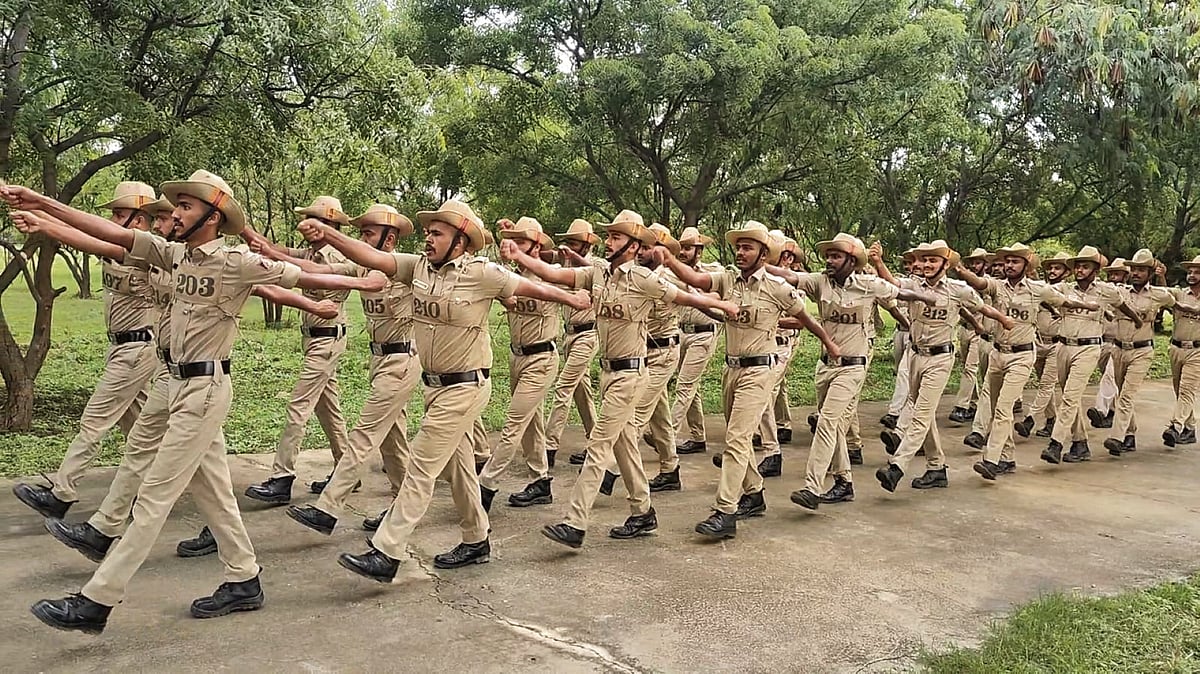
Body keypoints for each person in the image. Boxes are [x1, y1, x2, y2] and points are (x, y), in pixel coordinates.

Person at [9, 170, 383, 633]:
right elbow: (110, 235)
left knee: (154, 495)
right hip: (171, 381)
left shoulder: (235, 261)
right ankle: (244, 578)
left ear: (213, 214)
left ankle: (96, 601)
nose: (175, 214)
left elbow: (299, 273)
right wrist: (42, 207)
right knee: (211, 490)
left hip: (204, 391)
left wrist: (361, 285)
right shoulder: (173, 255)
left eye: (185, 206)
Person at [15, 201, 336, 564]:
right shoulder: (165, 255)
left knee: (150, 473)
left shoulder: (209, 258)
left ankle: (97, 553)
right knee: (195, 471)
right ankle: (237, 567)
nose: (171, 219)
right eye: (168, 214)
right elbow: (101, 241)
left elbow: (267, 285)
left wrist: (317, 304)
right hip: (172, 369)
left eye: (174, 213)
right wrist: (44, 218)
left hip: (191, 372)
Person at [301, 199, 589, 579]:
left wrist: (572, 297)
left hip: (466, 387)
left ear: (461, 240)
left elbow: (532, 288)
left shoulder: (482, 273)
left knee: (421, 466)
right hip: (433, 387)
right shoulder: (416, 267)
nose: (429, 238)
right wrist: (331, 235)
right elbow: (370, 257)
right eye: (429, 231)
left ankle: (387, 551)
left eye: (437, 232)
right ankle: (476, 538)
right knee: (461, 467)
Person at [502, 210, 739, 549]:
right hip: (608, 372)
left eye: (615, 237)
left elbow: (683, 296)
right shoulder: (598, 272)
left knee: (599, 445)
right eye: (608, 236)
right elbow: (552, 272)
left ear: (631, 246)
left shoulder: (642, 279)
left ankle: (575, 521)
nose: (609, 241)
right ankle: (642, 511)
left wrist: (722, 307)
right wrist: (519, 255)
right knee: (625, 443)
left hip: (631, 374)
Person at [657, 220, 839, 538]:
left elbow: (805, 318)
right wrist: (671, 261)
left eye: (748, 247)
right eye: (738, 246)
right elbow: (697, 279)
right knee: (736, 437)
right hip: (732, 368)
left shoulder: (775, 286)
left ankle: (725, 511)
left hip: (759, 371)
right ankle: (753, 493)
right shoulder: (727, 279)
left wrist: (829, 342)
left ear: (763, 253)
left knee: (737, 439)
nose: (740, 252)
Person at [270, 204, 423, 535]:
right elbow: (319, 270)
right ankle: (403, 505)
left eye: (368, 233)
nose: (361, 237)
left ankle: (328, 507)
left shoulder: (406, 268)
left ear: (390, 238)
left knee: (364, 434)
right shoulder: (361, 265)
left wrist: (329, 236)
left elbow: (372, 283)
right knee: (393, 443)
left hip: (403, 360)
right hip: (380, 360)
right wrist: (266, 248)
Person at [11, 182, 161, 520]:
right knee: (140, 428)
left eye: (120, 214)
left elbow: (83, 236)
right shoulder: (114, 243)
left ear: (139, 221)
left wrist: (42, 218)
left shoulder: (148, 252)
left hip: (137, 348)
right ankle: (158, 486)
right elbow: (81, 230)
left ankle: (62, 492)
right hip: (124, 346)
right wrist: (35, 214)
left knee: (94, 421)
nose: (112, 219)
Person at [766, 234, 929, 509]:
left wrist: (929, 297)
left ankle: (812, 486)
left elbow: (901, 293)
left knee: (827, 421)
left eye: (836, 256)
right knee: (836, 426)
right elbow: (786, 275)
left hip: (853, 367)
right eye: (828, 256)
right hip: (825, 366)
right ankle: (844, 482)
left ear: (851, 261)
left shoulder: (868, 284)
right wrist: (760, 265)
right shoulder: (819, 281)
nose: (829, 261)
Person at [869, 240, 1013, 492]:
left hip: (940, 358)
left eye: (932, 260)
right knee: (924, 415)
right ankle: (936, 467)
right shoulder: (913, 284)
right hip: (915, 356)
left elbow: (981, 307)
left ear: (945, 264)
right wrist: (878, 262)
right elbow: (892, 284)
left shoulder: (958, 290)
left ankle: (897, 466)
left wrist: (1002, 319)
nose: (926, 264)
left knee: (921, 413)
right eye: (923, 260)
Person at [240, 197, 355, 505]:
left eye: (313, 220)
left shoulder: (341, 258)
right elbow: (271, 248)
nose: (305, 225)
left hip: (328, 339)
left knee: (298, 407)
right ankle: (347, 470)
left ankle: (282, 477)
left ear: (328, 225)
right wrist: (237, 222)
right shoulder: (310, 252)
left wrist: (274, 255)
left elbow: (303, 268)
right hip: (313, 340)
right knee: (328, 410)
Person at [955, 244, 1086, 479]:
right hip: (997, 353)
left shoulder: (1038, 289)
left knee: (1005, 408)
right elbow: (979, 283)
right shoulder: (997, 286)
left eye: (1015, 262)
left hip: (1022, 355)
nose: (1009, 265)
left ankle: (991, 459)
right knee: (995, 408)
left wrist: (1089, 307)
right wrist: (960, 270)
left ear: (1026, 265)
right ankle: (1007, 458)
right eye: (1007, 261)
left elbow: (1064, 302)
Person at [477, 217, 560, 510]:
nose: (514, 247)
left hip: (541, 357)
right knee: (530, 421)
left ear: (537, 246)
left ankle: (486, 485)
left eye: (522, 242)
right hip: (516, 357)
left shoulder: (552, 275)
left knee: (513, 422)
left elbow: (561, 268)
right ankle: (541, 480)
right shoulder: (509, 277)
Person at [1041, 246, 1141, 464]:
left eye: (1085, 266)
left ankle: (1055, 443)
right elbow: (1042, 295)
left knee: (1070, 396)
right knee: (1070, 397)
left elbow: (1123, 306)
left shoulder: (1106, 290)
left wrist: (1137, 321)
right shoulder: (1063, 288)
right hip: (1064, 346)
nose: (1079, 270)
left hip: (1088, 348)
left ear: (1095, 270)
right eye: (1077, 266)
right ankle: (1080, 443)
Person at [1102, 250, 1177, 457]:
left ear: (1149, 273)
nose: (1136, 273)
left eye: (1141, 270)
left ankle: (1116, 437)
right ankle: (1130, 434)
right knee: (1120, 392)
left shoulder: (1157, 294)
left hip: (1142, 351)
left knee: (1127, 394)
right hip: (1118, 349)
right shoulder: (1120, 292)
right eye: (1134, 269)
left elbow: (1176, 304)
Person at [545, 219, 601, 466]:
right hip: (569, 334)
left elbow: (599, 274)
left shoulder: (597, 264)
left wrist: (575, 258)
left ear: (587, 244)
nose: (569, 247)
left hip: (589, 334)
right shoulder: (564, 264)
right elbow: (545, 260)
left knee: (563, 387)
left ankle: (549, 446)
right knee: (581, 392)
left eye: (575, 243)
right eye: (568, 241)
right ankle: (594, 440)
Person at [671, 226, 723, 455]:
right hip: (683, 332)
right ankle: (697, 436)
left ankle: (667, 435)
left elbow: (719, 295)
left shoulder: (713, 272)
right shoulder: (672, 273)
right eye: (681, 247)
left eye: (688, 247)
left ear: (699, 251)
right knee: (692, 387)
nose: (683, 251)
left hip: (704, 333)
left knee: (684, 385)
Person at [1015, 251, 1071, 439]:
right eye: (1051, 267)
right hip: (1038, 342)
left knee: (1047, 384)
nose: (1053, 271)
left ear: (1067, 272)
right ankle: (1051, 419)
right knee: (1043, 383)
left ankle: (1030, 419)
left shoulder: (1068, 290)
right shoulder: (1039, 288)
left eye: (1058, 268)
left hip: (1057, 344)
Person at [948, 248, 992, 423]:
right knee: (967, 368)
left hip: (979, 332)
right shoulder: (963, 284)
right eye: (972, 262)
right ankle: (973, 403)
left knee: (970, 368)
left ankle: (961, 406)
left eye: (978, 262)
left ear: (985, 264)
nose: (975, 265)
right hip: (964, 329)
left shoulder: (987, 282)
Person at [1163, 256, 1200, 447]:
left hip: (1197, 351)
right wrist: (1160, 277)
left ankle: (1174, 427)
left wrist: (1180, 306)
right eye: (1190, 271)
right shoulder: (1180, 293)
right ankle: (1190, 427)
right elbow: (1163, 295)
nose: (1192, 275)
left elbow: (1191, 309)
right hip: (1176, 347)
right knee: (1180, 391)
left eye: (1197, 272)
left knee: (1187, 390)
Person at [1087, 258, 1128, 429]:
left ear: (1125, 276)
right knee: (1115, 381)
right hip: (1103, 342)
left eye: (1117, 273)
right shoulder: (1102, 291)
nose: (1113, 277)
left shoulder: (1126, 292)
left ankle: (1100, 410)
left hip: (1120, 344)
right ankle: (1113, 412)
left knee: (1109, 377)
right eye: (1110, 273)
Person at [880, 248, 918, 430]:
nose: (911, 266)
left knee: (906, 373)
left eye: (913, 262)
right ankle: (901, 411)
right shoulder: (908, 283)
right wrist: (878, 263)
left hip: (920, 339)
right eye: (908, 263)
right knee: (902, 373)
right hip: (901, 332)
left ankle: (895, 413)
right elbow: (891, 283)